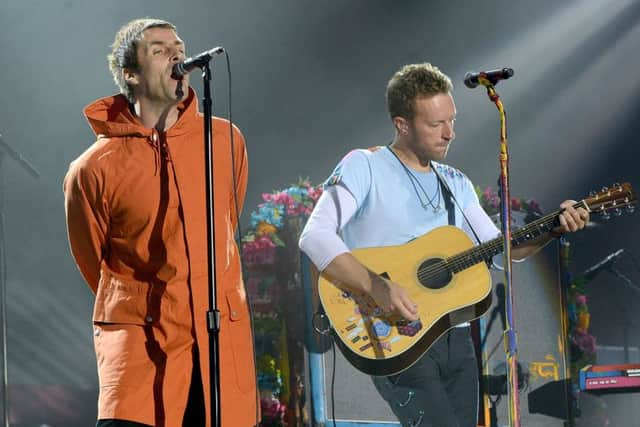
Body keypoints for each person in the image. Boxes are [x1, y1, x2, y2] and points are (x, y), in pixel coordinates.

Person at [298, 63, 589, 427]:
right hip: (395, 337)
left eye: (452, 121)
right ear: (402, 125)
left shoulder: (456, 183)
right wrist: (377, 285)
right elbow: (314, 236)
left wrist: (553, 229)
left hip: (456, 339)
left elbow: (502, 250)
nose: (449, 133)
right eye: (436, 124)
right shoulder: (364, 166)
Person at [63, 18, 257, 427]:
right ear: (129, 75)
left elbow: (226, 218)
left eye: (179, 46)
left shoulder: (224, 141)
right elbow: (93, 263)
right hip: (141, 358)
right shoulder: (93, 168)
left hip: (217, 353)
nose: (176, 54)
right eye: (158, 48)